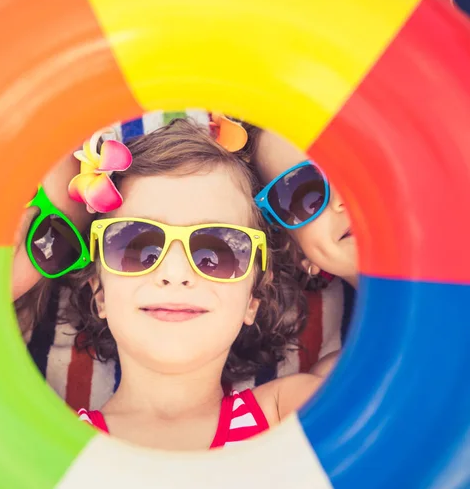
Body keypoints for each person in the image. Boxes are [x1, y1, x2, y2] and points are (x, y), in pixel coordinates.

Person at [66, 119, 321, 450]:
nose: (175, 273)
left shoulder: (287, 413)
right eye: (137, 247)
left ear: (253, 298)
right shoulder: (52, 440)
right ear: (99, 293)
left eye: (218, 251)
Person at [245, 126, 358, 376]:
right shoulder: (342, 381)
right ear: (296, 251)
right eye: (304, 193)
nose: (342, 198)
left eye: (357, 166)